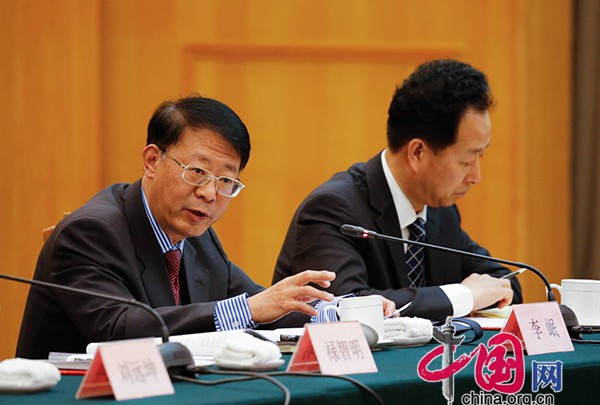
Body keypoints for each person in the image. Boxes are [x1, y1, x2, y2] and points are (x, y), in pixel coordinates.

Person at [16, 95, 395, 359]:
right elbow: (119, 328)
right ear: (152, 161)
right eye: (197, 172)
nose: (210, 193)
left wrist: (342, 312)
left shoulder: (196, 234)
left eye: (227, 181)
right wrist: (250, 308)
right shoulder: (91, 232)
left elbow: (263, 303)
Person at [273, 59, 522, 321]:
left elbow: (504, 282)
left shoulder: (439, 212)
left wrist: (482, 293)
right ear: (418, 153)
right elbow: (348, 309)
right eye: (466, 161)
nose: (476, 176)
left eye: (481, 157)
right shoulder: (333, 209)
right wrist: (462, 297)